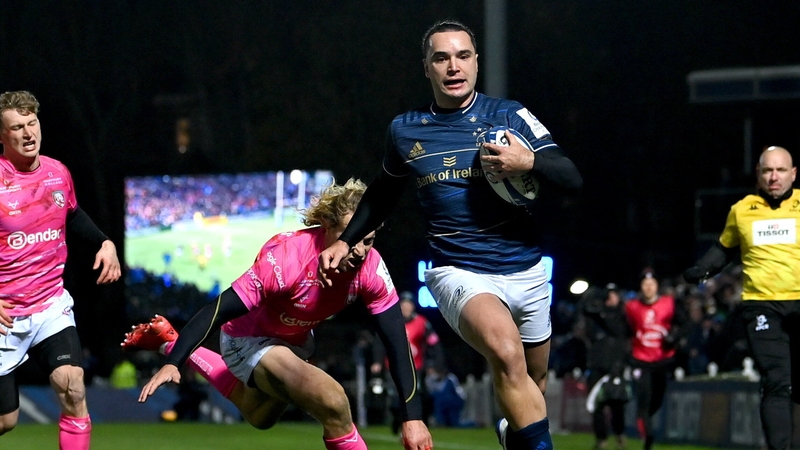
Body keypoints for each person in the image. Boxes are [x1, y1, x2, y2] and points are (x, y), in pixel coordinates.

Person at [318, 20, 583, 450]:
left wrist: (528, 162)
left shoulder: (510, 115)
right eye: (441, 58)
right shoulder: (406, 129)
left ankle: (512, 436)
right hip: (458, 270)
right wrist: (346, 240)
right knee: (506, 353)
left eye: (463, 56)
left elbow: (571, 179)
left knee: (531, 384)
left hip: (527, 270)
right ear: (427, 68)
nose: (453, 66)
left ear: (477, 62)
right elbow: (382, 195)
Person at [123, 178, 433, 450]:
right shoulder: (286, 259)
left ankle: (169, 339)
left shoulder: (371, 268)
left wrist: (413, 417)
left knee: (258, 415)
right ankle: (177, 348)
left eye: (368, 239)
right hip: (247, 338)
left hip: (295, 340)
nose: (361, 250)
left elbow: (396, 341)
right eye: (351, 238)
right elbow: (218, 309)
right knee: (334, 401)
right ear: (326, 227)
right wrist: (172, 363)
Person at [0, 90, 122, 449]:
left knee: (72, 386)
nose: (28, 133)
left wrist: (104, 241)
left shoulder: (57, 173)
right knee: (5, 421)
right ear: (1, 136)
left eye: (32, 123)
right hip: (5, 316)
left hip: (50, 305)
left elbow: (71, 213)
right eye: (17, 127)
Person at [683, 145, 800, 450]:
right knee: (777, 381)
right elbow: (725, 248)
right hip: (762, 306)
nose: (774, 177)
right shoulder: (742, 210)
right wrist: (703, 268)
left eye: (781, 170)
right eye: (767, 170)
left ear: (793, 174)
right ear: (759, 175)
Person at [625, 269, 686, 450]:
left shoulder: (670, 304)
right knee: (644, 397)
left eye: (652, 284)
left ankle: (645, 422)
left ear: (657, 286)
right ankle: (648, 435)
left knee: (658, 398)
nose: (648, 288)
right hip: (640, 358)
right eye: (645, 284)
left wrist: (675, 338)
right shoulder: (631, 307)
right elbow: (624, 331)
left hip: (663, 359)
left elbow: (685, 324)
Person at [371, 291, 445, 433]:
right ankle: (397, 419)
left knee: (418, 396)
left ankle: (419, 423)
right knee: (395, 398)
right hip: (393, 365)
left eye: (408, 305)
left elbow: (434, 344)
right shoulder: (392, 322)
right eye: (403, 305)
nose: (406, 308)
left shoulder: (422, 323)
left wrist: (435, 365)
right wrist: (377, 361)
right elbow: (380, 341)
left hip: (416, 367)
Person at [581, 285, 630, 450]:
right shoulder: (594, 317)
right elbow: (584, 313)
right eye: (607, 296)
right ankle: (601, 438)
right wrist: (590, 298)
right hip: (597, 364)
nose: (611, 299)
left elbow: (618, 332)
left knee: (617, 403)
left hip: (615, 365)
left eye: (613, 295)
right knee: (596, 404)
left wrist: (621, 363)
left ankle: (619, 434)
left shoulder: (623, 316)